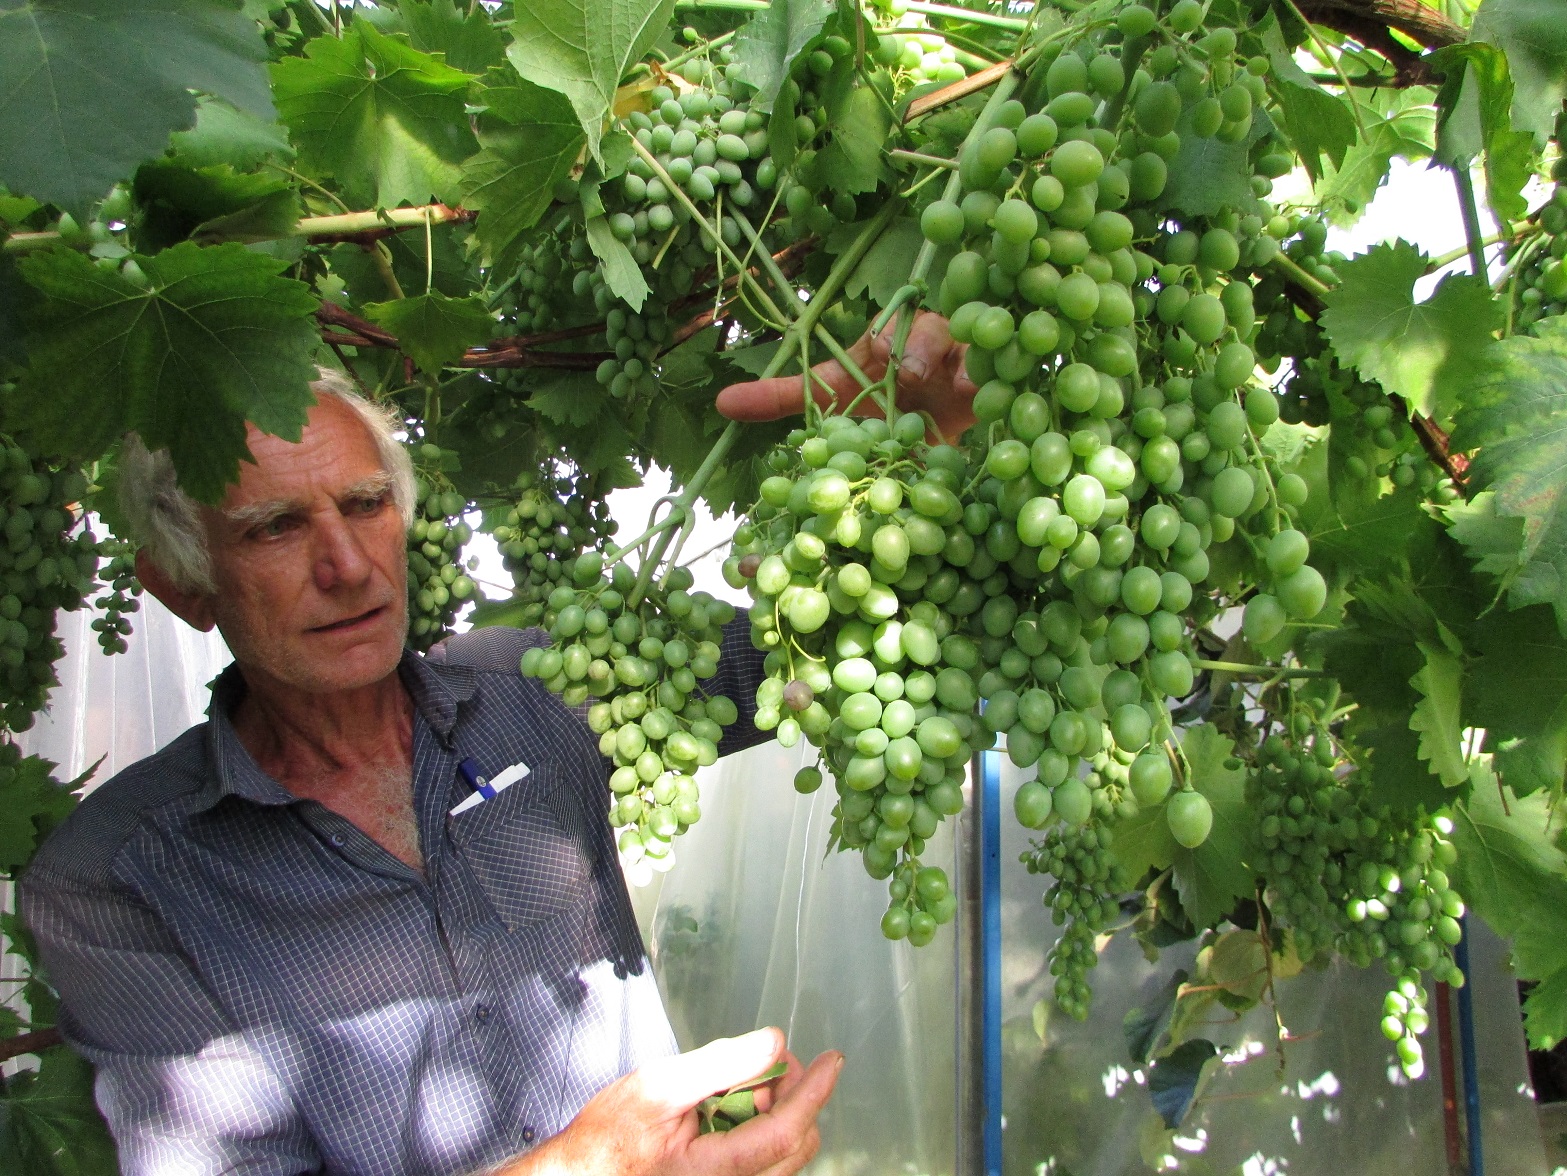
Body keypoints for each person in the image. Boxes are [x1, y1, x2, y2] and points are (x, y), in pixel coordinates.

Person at [18, 315, 976, 1176]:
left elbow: (844, 657)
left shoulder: (543, 685)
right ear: (183, 583)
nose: (346, 567)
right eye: (274, 528)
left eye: (364, 505)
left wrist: (938, 449)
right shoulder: (116, 882)